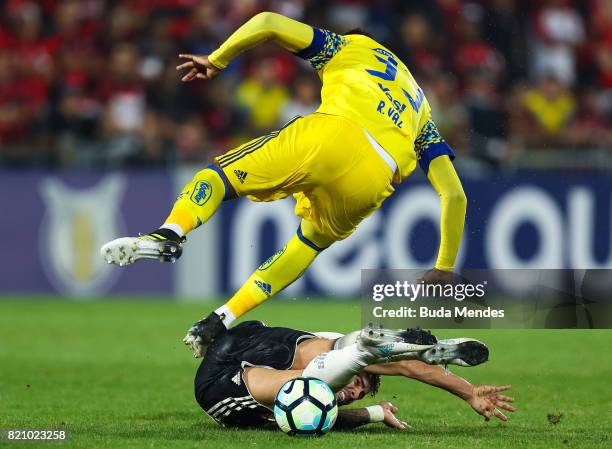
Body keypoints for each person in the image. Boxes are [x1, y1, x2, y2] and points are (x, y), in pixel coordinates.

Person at [100, 12, 467, 357]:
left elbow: (268, 22)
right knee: (307, 243)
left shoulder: (350, 46)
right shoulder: (422, 110)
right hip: (374, 180)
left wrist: (217, 59)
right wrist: (444, 267)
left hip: (333, 134)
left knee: (216, 176)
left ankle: (169, 234)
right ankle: (223, 316)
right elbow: (454, 193)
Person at [195, 322, 514, 429]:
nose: (351, 395)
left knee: (324, 357)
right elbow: (310, 411)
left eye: (357, 396)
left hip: (250, 340)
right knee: (310, 383)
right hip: (218, 385)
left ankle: (361, 345)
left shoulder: (319, 403)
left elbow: (321, 416)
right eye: (357, 385)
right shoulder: (312, 395)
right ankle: (362, 349)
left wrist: (469, 392)